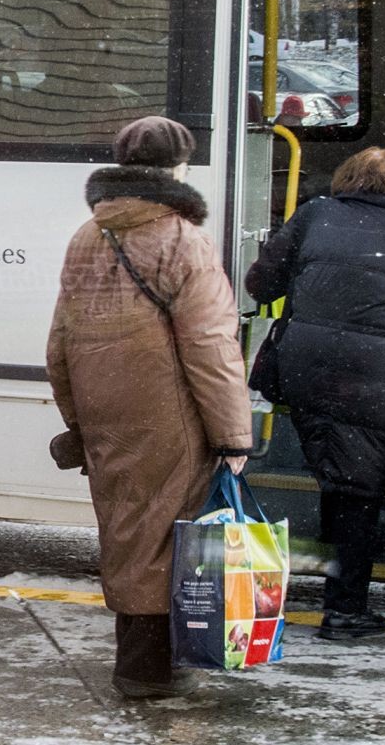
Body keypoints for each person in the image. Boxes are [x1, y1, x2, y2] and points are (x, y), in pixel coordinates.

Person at [46, 116, 252, 699]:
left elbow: (59, 340)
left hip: (105, 407)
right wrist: (233, 436)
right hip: (170, 411)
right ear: (178, 168)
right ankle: (146, 666)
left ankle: (139, 657)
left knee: (126, 528)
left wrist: (78, 417)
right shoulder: (184, 240)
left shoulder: (88, 235)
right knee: (166, 535)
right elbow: (211, 347)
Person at [245, 147, 385, 640]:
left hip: (306, 368)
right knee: (359, 494)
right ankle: (344, 611)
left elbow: (260, 284)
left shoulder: (314, 215)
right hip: (375, 377)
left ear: (345, 180)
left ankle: (330, 590)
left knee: (335, 480)